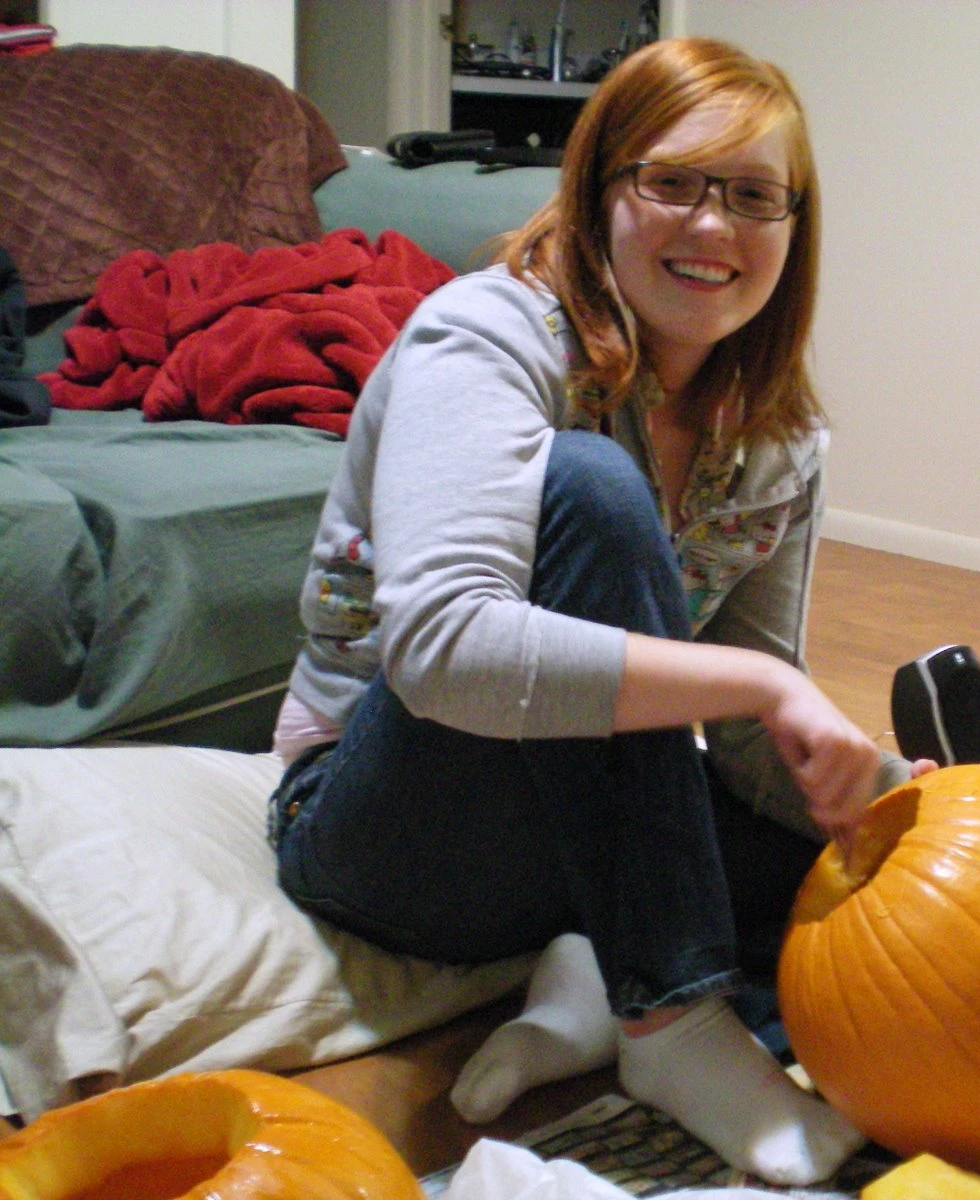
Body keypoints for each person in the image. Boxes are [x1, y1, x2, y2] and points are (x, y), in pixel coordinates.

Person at [266, 36, 904, 1187]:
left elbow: (756, 748)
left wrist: (906, 811)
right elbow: (445, 653)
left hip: (569, 825)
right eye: (673, 183)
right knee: (591, 487)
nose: (713, 227)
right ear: (600, 189)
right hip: (384, 823)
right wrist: (762, 685)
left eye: (754, 195)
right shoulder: (488, 333)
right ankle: (673, 1022)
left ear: (792, 231)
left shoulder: (776, 436)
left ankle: (585, 983)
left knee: (864, 901)